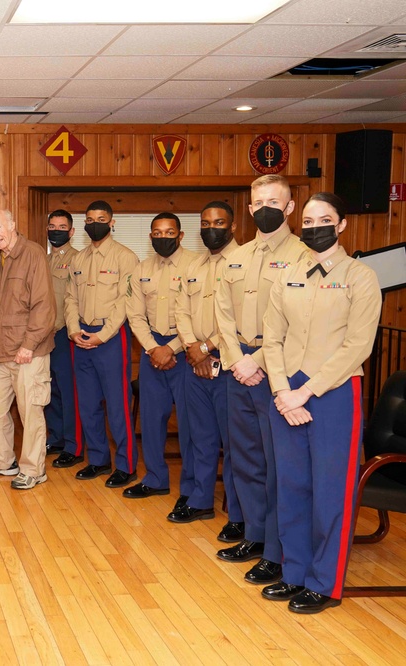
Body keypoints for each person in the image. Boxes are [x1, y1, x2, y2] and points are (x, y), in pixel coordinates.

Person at [261, 192, 381, 613]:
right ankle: (294, 573)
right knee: (292, 487)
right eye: (308, 222)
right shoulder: (287, 274)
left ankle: (324, 583)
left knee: (330, 492)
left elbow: (357, 345)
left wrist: (304, 392)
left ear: (342, 224)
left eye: (324, 220)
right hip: (285, 391)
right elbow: (271, 337)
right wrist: (280, 390)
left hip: (332, 393)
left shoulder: (360, 276)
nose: (314, 228)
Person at [214, 174, 308, 586]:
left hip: (277, 375)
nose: (266, 207)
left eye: (275, 200)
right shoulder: (236, 257)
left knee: (277, 466)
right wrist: (237, 360)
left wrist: (257, 362)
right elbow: (222, 313)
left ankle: (277, 549)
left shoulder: (305, 255)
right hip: (238, 371)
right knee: (246, 460)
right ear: (250, 209)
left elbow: (298, 324)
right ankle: (254, 534)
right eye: (259, 201)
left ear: (289, 208)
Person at [171, 202, 244, 538]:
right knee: (200, 437)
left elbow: (239, 317)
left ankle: (239, 515)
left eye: (218, 222)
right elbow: (180, 309)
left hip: (229, 365)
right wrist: (190, 345)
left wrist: (206, 347)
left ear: (232, 226)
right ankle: (200, 499)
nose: (211, 228)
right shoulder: (195, 264)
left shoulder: (244, 262)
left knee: (234, 443)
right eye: (205, 222)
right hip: (195, 363)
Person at [0, 209, 55, 489]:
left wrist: (29, 344)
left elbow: (44, 306)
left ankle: (33, 469)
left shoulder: (33, 254)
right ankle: (1, 461)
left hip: (28, 353)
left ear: (12, 225)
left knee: (30, 411)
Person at [63, 201, 140, 488]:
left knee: (118, 404)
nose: (95, 223)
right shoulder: (79, 260)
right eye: (90, 218)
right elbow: (70, 298)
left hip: (110, 338)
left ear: (112, 222)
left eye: (101, 218)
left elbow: (126, 301)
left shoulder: (125, 258)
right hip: (81, 337)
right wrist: (73, 330)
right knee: (88, 404)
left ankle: (126, 465)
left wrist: (103, 335)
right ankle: (98, 459)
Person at [125, 213, 196, 502]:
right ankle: (155, 479)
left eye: (169, 232)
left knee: (191, 424)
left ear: (180, 235)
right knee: (152, 420)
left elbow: (202, 315)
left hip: (187, 351)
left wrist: (174, 348)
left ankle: (191, 488)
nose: (162, 237)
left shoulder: (195, 265)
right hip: (152, 350)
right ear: (150, 236)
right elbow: (135, 314)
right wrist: (154, 348)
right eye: (157, 233)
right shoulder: (142, 268)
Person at [44, 209, 84, 468]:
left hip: (65, 335)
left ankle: (73, 445)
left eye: (62, 227)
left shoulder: (78, 260)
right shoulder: (42, 259)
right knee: (51, 390)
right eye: (52, 226)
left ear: (71, 232)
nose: (56, 230)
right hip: (43, 335)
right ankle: (56, 437)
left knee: (70, 393)